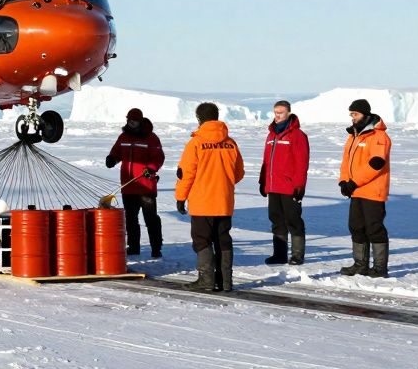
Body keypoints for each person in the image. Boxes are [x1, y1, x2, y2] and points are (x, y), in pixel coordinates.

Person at [175, 102, 245, 292]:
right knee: (223, 239)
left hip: (202, 203)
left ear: (199, 119)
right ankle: (225, 281)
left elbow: (186, 174)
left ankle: (206, 280)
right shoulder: (231, 143)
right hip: (224, 202)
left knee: (202, 240)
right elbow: (239, 173)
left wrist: (181, 197)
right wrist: (223, 183)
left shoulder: (196, 143)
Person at [339, 98, 392, 278]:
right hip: (356, 191)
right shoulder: (353, 135)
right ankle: (360, 265)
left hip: (373, 191)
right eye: (351, 114)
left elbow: (376, 164)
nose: (352, 117)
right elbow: (346, 161)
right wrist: (344, 181)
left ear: (365, 114)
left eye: (355, 114)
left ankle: (379, 268)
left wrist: (354, 182)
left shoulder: (379, 136)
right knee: (356, 227)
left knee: (374, 228)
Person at [105, 107, 166, 258]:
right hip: (128, 185)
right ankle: (133, 247)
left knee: (150, 218)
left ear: (140, 121)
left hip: (146, 186)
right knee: (131, 219)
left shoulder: (151, 138)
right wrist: (112, 159)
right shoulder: (123, 137)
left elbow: (158, 157)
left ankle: (156, 248)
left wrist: (151, 168)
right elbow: (117, 152)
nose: (131, 123)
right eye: (129, 120)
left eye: (134, 121)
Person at [259, 100, 310, 265]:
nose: (277, 115)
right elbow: (266, 161)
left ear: (288, 113)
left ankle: (297, 255)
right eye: (275, 112)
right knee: (276, 219)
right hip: (273, 186)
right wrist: (263, 181)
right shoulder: (271, 135)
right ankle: (279, 255)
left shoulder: (297, 135)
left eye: (280, 112)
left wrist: (299, 186)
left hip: (289, 187)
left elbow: (302, 162)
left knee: (293, 220)